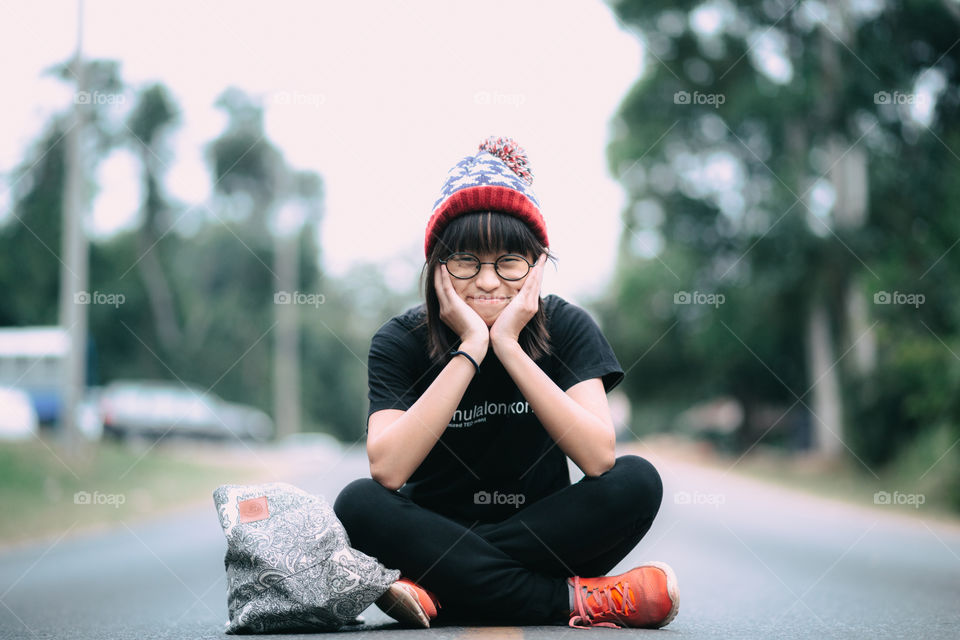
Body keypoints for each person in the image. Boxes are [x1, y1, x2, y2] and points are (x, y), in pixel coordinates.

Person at [333, 136, 678, 630]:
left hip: (539, 540)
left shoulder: (567, 327)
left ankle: (441, 590)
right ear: (437, 268)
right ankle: (580, 601)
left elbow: (599, 456)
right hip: (434, 531)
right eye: (466, 260)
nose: (488, 281)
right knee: (358, 503)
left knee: (638, 480)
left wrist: (511, 348)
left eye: (508, 262)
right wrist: (471, 347)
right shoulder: (400, 341)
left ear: (536, 266)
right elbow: (387, 469)